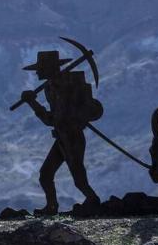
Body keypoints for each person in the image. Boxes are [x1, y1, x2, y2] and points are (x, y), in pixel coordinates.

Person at [21, 50, 103, 215]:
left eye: (40, 69)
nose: (37, 72)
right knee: (46, 174)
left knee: (78, 177)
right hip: (62, 138)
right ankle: (51, 206)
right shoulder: (51, 88)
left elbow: (54, 119)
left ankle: (93, 201)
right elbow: (52, 119)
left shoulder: (66, 87)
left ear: (49, 69)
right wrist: (33, 103)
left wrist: (32, 103)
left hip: (72, 138)